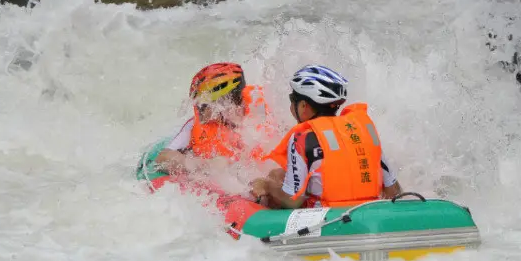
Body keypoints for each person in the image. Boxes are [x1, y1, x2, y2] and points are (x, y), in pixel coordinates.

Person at [251, 65, 402, 209]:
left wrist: (267, 186)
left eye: (293, 100)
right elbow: (393, 191)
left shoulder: (301, 138)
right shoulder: (363, 130)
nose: (291, 107)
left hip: (327, 219)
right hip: (370, 211)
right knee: (278, 174)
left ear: (303, 106)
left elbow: (293, 200)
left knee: (272, 179)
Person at [155, 62, 276, 176]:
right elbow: (163, 157)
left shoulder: (262, 111)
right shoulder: (193, 126)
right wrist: (201, 164)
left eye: (204, 105)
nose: (199, 110)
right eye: (198, 105)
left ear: (226, 103)